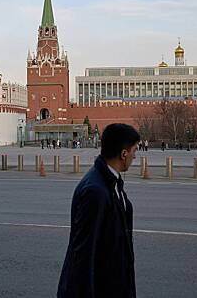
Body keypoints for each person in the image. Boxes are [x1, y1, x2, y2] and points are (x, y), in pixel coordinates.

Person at [58, 123, 138, 298]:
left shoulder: (110, 181)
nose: (135, 155)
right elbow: (84, 254)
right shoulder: (95, 191)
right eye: (134, 150)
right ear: (124, 154)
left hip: (113, 283)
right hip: (104, 288)